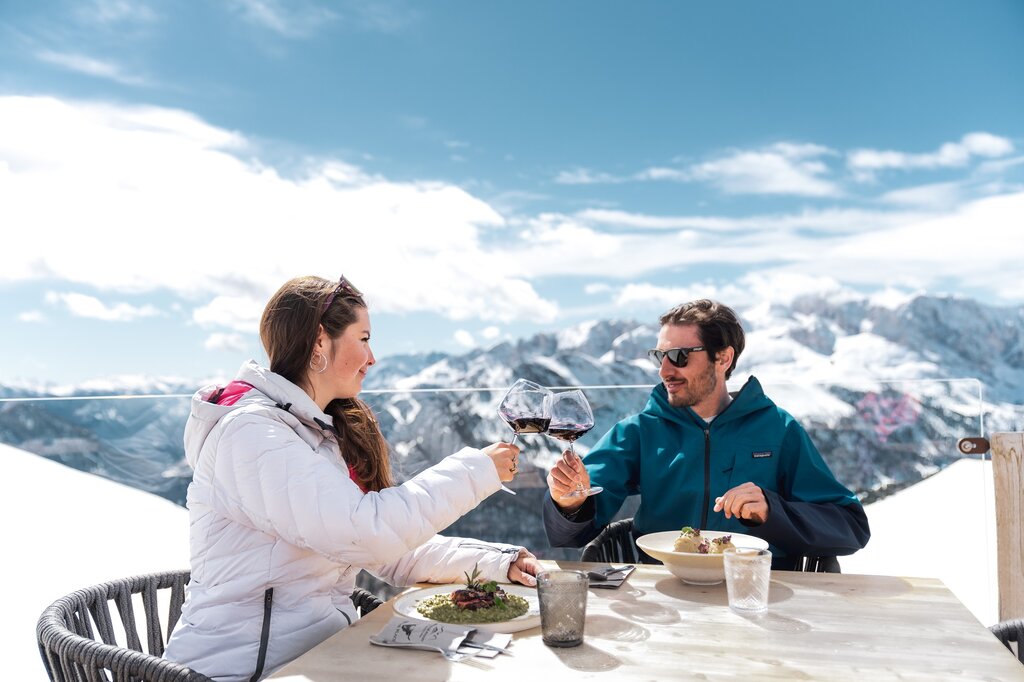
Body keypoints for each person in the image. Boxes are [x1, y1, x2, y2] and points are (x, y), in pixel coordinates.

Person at [164, 275, 541, 681]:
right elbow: (365, 532)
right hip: (239, 672)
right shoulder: (251, 435)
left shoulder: (313, 433)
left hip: (321, 659)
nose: (372, 357)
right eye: (363, 339)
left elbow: (392, 550)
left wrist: (496, 562)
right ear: (319, 342)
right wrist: (476, 472)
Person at [543, 299, 870, 569]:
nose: (664, 370)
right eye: (659, 356)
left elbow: (850, 526)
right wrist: (568, 502)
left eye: (679, 356)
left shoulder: (778, 430)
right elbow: (570, 532)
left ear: (723, 358)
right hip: (662, 598)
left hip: (757, 595)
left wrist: (772, 512)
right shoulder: (639, 432)